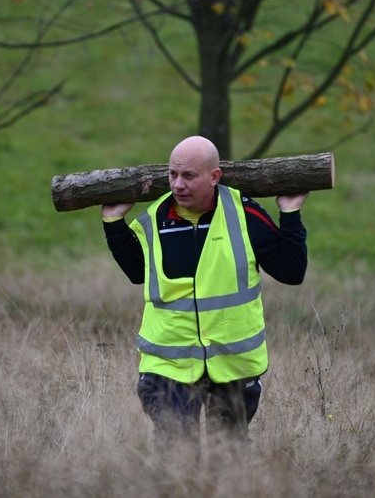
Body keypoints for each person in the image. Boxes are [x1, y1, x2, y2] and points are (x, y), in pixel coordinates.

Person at [101, 135, 308, 453]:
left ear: (214, 177)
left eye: (188, 175)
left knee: (228, 454)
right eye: (172, 174)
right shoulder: (155, 219)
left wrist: (290, 213)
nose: (178, 185)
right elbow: (137, 273)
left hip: (232, 363)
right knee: (177, 453)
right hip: (168, 363)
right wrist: (113, 223)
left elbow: (291, 273)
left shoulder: (245, 215)